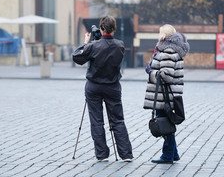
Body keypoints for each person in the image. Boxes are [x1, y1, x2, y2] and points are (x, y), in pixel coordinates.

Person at [72, 15, 134, 162]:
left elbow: (77, 57)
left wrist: (86, 43)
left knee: (97, 121)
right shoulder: (120, 45)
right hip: (112, 87)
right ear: (114, 29)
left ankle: (102, 154)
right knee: (118, 120)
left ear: (101, 28)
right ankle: (126, 154)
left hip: (94, 87)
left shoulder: (93, 46)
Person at [144, 24, 190, 164]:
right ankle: (173, 154)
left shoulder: (168, 50)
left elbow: (166, 76)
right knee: (167, 125)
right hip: (166, 96)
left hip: (164, 97)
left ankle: (167, 156)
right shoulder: (169, 49)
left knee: (165, 126)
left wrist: (151, 72)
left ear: (164, 35)